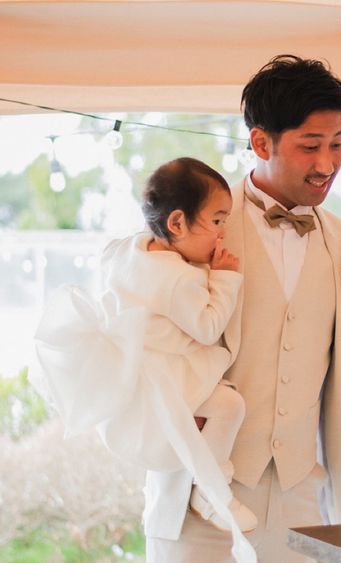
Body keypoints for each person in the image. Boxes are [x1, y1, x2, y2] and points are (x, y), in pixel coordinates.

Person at [143, 55, 341, 562]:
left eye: (338, 143)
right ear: (260, 142)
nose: (328, 164)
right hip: (198, 493)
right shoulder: (195, 226)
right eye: (310, 146)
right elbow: (139, 326)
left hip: (301, 498)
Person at [33, 158, 258, 561]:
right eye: (217, 221)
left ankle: (207, 486)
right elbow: (208, 327)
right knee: (230, 406)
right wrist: (224, 278)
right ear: (177, 223)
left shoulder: (124, 250)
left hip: (132, 372)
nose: (223, 233)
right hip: (165, 375)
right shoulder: (179, 278)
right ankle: (210, 489)